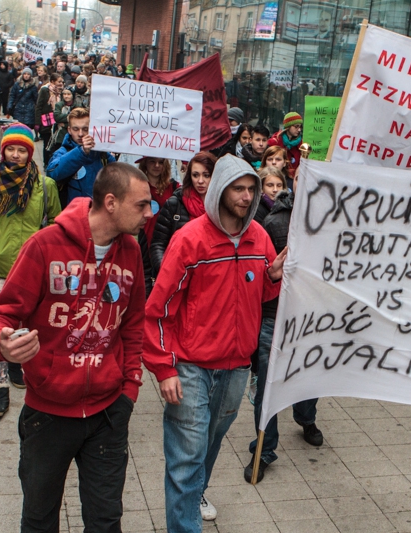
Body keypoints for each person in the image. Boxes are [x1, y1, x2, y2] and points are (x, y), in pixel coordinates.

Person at [0, 162, 148, 531]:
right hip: (48, 414)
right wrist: (1, 344)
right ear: (111, 203)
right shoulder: (44, 245)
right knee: (39, 519)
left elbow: (134, 324)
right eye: (141, 205)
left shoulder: (132, 251)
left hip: (108, 413)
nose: (149, 213)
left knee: (106, 521)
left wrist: (129, 389)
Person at [143, 155, 286, 531]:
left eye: (251, 189)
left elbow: (262, 294)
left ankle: (192, 499)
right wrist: (164, 367)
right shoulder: (189, 239)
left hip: (237, 368)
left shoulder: (259, 237)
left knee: (207, 446)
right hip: (191, 368)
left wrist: (272, 277)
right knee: (187, 456)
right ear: (220, 189)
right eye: (238, 188)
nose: (246, 196)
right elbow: (159, 309)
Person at [0, 124, 61, 417]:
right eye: (11, 148)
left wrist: (44, 251)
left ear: (30, 154)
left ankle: (19, 369)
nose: (16, 155)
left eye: (22, 150)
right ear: (3, 150)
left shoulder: (45, 186)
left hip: (32, 270)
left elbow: (57, 222)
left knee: (28, 324)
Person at [246, 165, 323, 483]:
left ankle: (306, 417)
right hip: (275, 318)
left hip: (312, 317)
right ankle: (263, 450)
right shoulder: (274, 222)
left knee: (309, 377)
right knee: (268, 387)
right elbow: (262, 271)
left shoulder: (331, 223)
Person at [148, 151, 216, 281]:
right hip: (177, 276)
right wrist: (167, 271)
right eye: (195, 175)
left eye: (206, 175)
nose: (200, 181)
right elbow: (158, 244)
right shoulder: (175, 203)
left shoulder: (222, 207)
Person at [47, 107, 116, 206]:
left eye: (85, 129)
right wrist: (82, 152)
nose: (80, 134)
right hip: (73, 212)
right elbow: (52, 173)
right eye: (76, 129)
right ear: (69, 130)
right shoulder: (63, 152)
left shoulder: (103, 155)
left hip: (100, 211)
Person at [136, 157, 178, 296]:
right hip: (145, 240)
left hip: (167, 242)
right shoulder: (137, 187)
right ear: (145, 163)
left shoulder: (174, 187)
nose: (157, 165)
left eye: (161, 162)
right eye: (152, 161)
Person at [35, 73, 65, 167]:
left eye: (62, 81)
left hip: (57, 122)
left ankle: (54, 162)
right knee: (47, 143)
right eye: (59, 81)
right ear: (52, 81)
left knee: (56, 144)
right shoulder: (45, 90)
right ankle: (46, 163)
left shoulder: (62, 91)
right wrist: (37, 122)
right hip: (47, 121)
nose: (61, 83)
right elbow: (39, 106)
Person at [267, 112, 303, 179]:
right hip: (277, 177)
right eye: (296, 126)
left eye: (300, 126)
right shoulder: (275, 142)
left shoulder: (301, 145)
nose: (299, 129)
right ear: (288, 126)